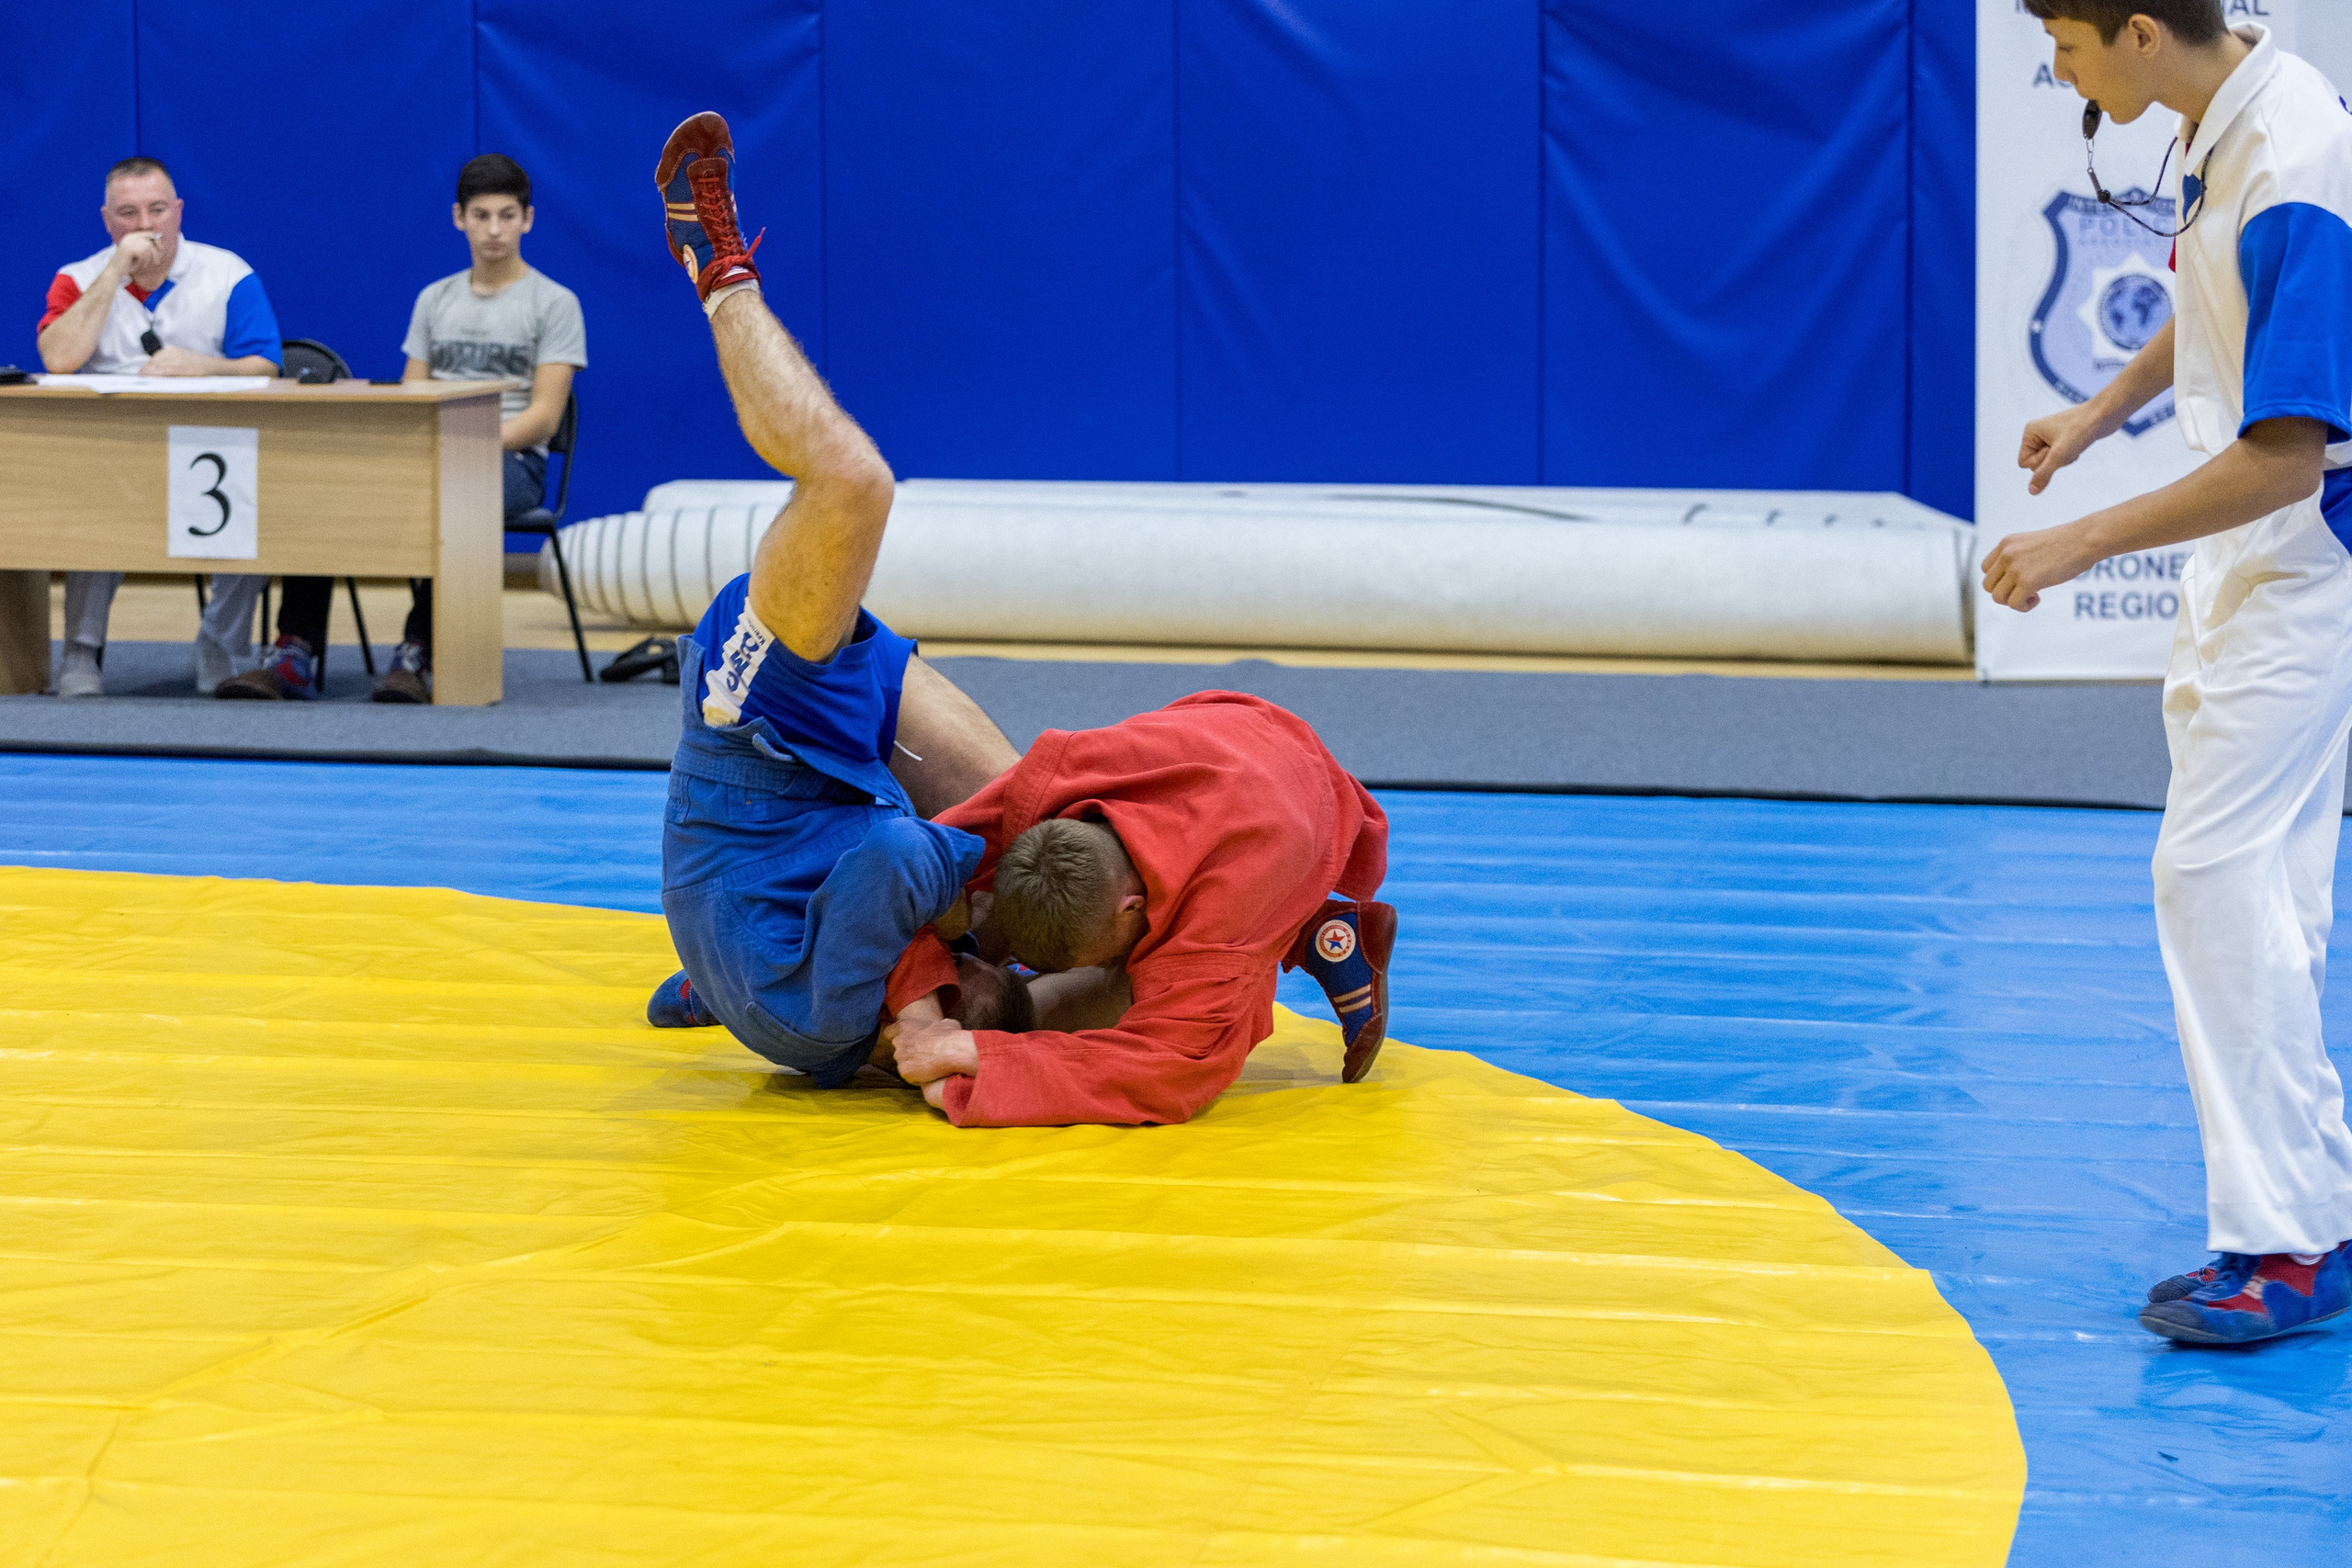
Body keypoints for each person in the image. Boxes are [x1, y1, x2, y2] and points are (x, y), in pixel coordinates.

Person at [1990, 2, 2352, 1343]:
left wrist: (2078, 541)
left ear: (2140, 32)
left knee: (2208, 879)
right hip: (2262, 560)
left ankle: (2280, 1246)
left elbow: (2286, 451)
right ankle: (2316, 1210)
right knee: (2265, 892)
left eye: (2069, 48)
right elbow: (2220, 307)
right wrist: (2096, 414)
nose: (2061, 73)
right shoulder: (2224, 110)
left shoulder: (2299, 155)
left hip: (2307, 559)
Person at [637, 111, 1023, 1089]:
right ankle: (705, 977)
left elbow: (902, 863)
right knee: (1038, 823)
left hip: (754, 742)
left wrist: (976, 900)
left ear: (911, 1036)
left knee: (850, 482)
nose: (969, 961)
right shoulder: (852, 1006)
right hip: (796, 858)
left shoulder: (837, 1015)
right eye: (983, 966)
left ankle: (713, 264)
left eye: (960, 973)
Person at [881, 691, 1398, 1129]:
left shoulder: (1214, 931)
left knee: (1141, 987)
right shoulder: (1059, 780)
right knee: (957, 890)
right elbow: (921, 869)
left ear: (1133, 907)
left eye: (1100, 956)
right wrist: (921, 1017)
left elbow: (1170, 1070)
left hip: (1300, 816)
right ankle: (1323, 932)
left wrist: (974, 1057)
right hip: (1243, 734)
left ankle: (1304, 922)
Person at [218, 154, 588, 703]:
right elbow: (415, 396)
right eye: (481, 215)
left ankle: (415, 654)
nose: (494, 230)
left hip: (512, 463)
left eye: (507, 216)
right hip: (433, 452)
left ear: (528, 220)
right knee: (328, 492)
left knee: (454, 495)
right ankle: (293, 653)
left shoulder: (555, 304)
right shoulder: (434, 300)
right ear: (458, 218)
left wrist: (462, 449)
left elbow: (544, 418)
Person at [35, 156, 284, 698]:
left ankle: (221, 647)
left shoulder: (228, 274)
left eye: (157, 209)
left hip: (214, 451)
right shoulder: (77, 278)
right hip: (116, 452)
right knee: (90, 501)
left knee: (254, 501)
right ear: (107, 220)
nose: (145, 224)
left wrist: (205, 365)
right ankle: (81, 653)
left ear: (179, 211)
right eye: (128, 213)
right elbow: (58, 358)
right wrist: (113, 273)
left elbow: (266, 365)